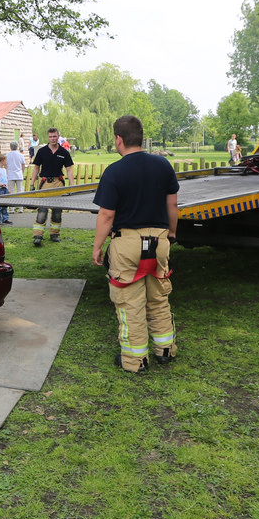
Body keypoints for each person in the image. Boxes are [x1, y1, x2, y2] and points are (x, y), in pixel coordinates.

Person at [92, 115, 179, 374]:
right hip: (159, 240)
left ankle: (135, 360)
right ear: (140, 137)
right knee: (158, 298)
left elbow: (106, 215)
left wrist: (97, 246)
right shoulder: (163, 165)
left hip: (128, 243)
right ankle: (165, 350)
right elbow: (172, 204)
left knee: (130, 303)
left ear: (119, 139)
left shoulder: (114, 171)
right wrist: (171, 233)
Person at [31, 127, 74, 246]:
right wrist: (32, 184)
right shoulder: (42, 151)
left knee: (57, 211)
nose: (53, 139)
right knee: (42, 210)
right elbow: (36, 168)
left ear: (58, 137)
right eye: (50, 137)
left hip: (58, 183)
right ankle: (38, 236)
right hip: (45, 183)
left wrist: (72, 186)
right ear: (48, 137)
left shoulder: (64, 152)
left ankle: (55, 234)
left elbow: (69, 169)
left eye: (55, 136)